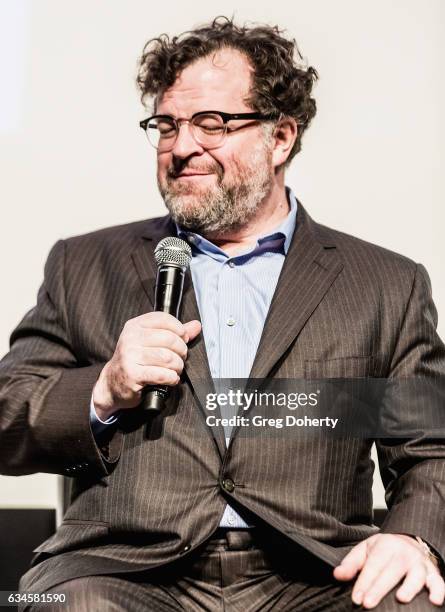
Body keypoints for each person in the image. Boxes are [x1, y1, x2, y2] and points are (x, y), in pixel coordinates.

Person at [1, 16, 444, 611]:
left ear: (281, 137)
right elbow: (8, 415)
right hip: (124, 573)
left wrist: (413, 537)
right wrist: (104, 389)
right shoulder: (83, 265)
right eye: (167, 125)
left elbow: (429, 448)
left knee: (408, 603)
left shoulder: (386, 285)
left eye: (211, 123)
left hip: (316, 574)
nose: (182, 146)